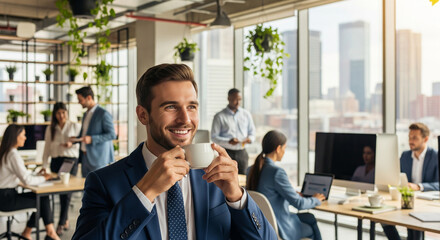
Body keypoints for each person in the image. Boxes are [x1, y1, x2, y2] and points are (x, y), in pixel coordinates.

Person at [72, 64, 276, 240]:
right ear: (143, 115)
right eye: (171, 107)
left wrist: (237, 196)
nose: (185, 119)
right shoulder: (104, 182)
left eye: (192, 107)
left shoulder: (216, 177)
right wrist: (144, 193)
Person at [246, 130, 325, 240]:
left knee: (310, 217)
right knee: (311, 228)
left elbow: (268, 197)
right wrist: (316, 199)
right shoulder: (277, 172)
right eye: (284, 148)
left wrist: (292, 194)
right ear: (278, 149)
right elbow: (299, 204)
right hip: (279, 227)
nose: (284, 151)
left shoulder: (251, 170)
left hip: (261, 224)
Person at [0, 124, 60, 240]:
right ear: (15, 137)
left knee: (40, 198)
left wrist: (36, 175)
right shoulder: (13, 154)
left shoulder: (5, 152)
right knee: (42, 198)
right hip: (7, 200)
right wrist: (45, 178)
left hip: (3, 197)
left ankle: (29, 232)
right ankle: (50, 233)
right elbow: (27, 180)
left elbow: (19, 175)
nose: (25, 138)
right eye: (23, 135)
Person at [382, 123, 439, 240]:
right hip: (405, 200)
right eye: (409, 137)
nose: (410, 141)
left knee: (414, 227)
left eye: (415, 138)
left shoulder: (435, 156)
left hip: (425, 204)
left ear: (426, 139)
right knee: (383, 218)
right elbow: (396, 176)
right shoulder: (405, 156)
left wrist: (418, 186)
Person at [39, 102, 81, 235]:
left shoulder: (75, 126)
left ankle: (61, 223)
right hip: (56, 162)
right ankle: (65, 219)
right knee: (56, 192)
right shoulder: (50, 128)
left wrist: (71, 143)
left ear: (67, 113)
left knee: (66, 194)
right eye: (58, 113)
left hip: (70, 161)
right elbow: (46, 148)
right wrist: (44, 166)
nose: (61, 115)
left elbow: (79, 144)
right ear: (54, 114)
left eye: (63, 112)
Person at [72, 86, 116, 177]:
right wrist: (75, 139)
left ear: (89, 98)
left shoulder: (103, 114)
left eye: (80, 100)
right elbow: (84, 134)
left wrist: (92, 139)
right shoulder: (85, 114)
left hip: (98, 159)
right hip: (85, 158)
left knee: (98, 188)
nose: (79, 102)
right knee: (86, 188)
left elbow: (112, 135)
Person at [211, 88, 256, 174]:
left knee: (243, 179)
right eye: (235, 99)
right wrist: (229, 141)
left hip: (242, 153)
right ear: (229, 98)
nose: (238, 102)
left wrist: (249, 139)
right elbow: (214, 137)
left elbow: (252, 133)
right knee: (226, 177)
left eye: (240, 99)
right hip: (226, 152)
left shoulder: (246, 114)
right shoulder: (219, 116)